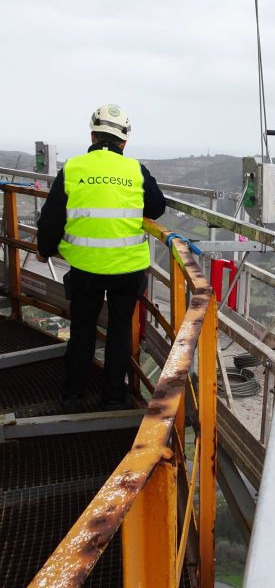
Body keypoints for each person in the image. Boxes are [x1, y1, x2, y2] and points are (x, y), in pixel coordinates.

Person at [37, 104, 166, 413]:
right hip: (128, 269)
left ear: (93, 135)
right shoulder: (135, 170)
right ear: (123, 141)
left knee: (82, 329)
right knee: (120, 331)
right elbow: (157, 208)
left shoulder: (74, 168)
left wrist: (44, 249)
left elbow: (51, 219)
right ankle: (113, 396)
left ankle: (73, 397)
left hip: (85, 269)